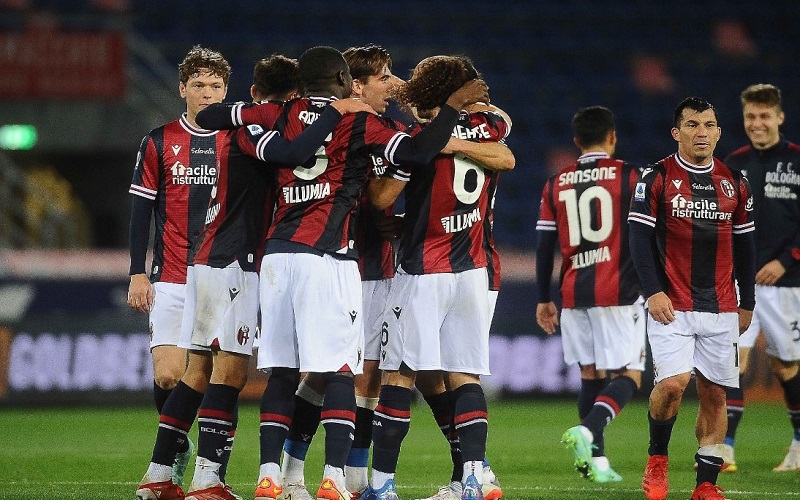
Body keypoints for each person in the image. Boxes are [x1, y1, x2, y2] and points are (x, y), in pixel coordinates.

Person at [196, 46, 488, 500]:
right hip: (332, 257)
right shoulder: (362, 122)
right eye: (375, 78)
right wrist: (451, 111)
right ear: (345, 82)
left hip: (282, 255)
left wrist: (251, 119)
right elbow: (415, 154)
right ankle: (334, 477)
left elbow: (211, 116)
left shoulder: (279, 111)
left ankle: (276, 474)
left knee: (288, 373)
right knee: (340, 371)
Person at [135, 53, 370, 500]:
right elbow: (292, 153)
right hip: (235, 261)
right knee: (227, 375)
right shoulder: (258, 131)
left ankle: (158, 475)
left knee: (196, 372)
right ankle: (207, 480)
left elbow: (214, 117)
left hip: (208, 256)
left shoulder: (240, 126)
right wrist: (335, 112)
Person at [364, 55, 512, 500]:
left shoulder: (418, 140)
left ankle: (382, 485)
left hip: (423, 270)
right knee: (465, 376)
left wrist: (436, 143)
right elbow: (505, 148)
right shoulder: (489, 126)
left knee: (399, 373)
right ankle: (473, 478)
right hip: (473, 270)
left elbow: (382, 197)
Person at [629, 97, 756, 500]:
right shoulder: (656, 177)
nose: (701, 132)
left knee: (715, 394)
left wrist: (747, 302)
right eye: (692, 125)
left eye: (708, 125)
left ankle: (705, 485)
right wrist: (653, 291)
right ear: (677, 132)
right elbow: (638, 239)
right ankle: (657, 459)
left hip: (721, 305)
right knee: (673, 385)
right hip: (671, 304)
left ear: (718, 132)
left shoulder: (735, 182)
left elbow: (746, 246)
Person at [127, 45, 231, 495]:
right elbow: (140, 211)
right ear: (182, 89)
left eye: (215, 86)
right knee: (168, 375)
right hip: (171, 275)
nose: (207, 93)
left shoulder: (239, 140)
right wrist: (137, 272)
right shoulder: (158, 141)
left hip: (223, 277)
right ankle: (178, 445)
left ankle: (210, 472)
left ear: (226, 91)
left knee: (221, 376)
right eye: (199, 85)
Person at [535, 106, 645, 483]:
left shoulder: (556, 183)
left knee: (590, 373)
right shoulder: (632, 176)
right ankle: (588, 429)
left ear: (577, 141)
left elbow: (544, 246)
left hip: (573, 292)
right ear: (612, 137)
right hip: (619, 291)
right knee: (629, 375)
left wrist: (543, 298)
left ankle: (597, 463)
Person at [723, 83, 800, 472]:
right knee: (732, 358)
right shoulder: (734, 163)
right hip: (742, 280)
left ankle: (799, 445)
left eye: (764, 116)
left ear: (780, 117)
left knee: (786, 365)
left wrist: (786, 261)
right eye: (750, 116)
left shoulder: (797, 161)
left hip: (787, 282)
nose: (757, 123)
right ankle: (725, 449)